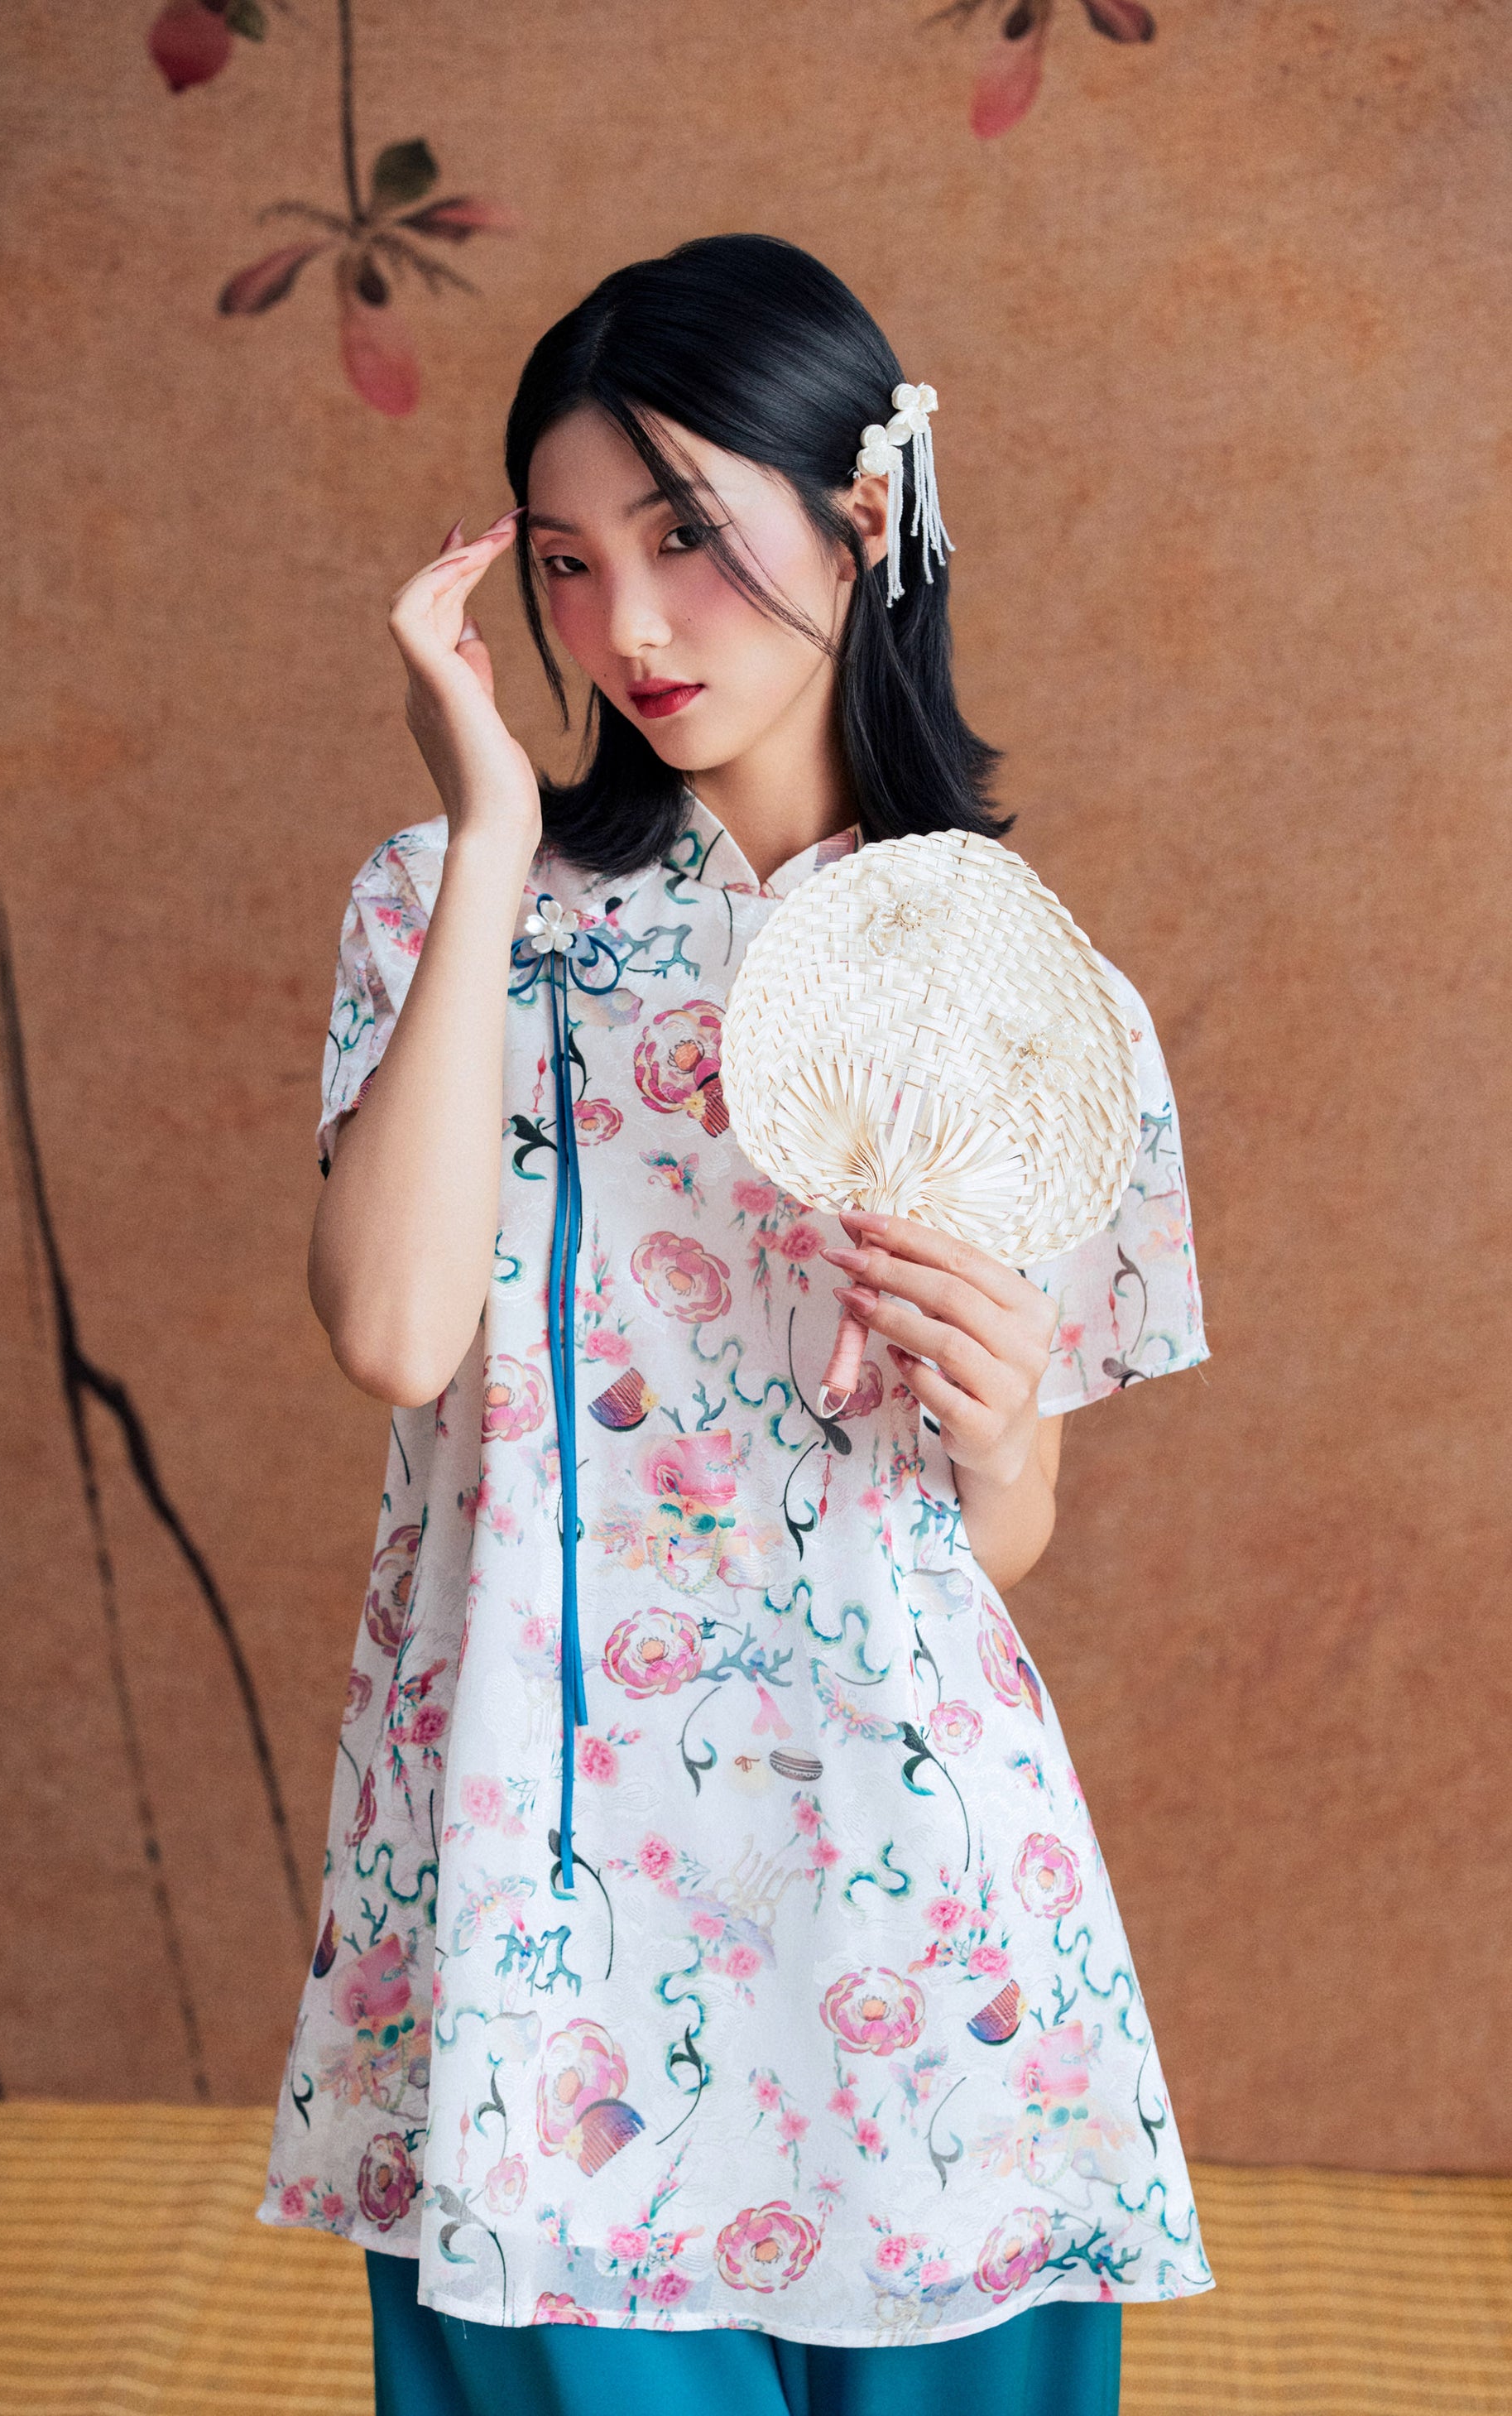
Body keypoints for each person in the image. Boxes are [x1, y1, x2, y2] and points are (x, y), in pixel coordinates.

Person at [260, 233, 1214, 2416]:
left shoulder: (1019, 990)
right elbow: (395, 1333)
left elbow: (997, 1538)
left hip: (918, 1919)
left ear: (866, 516)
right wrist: (493, 831)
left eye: (685, 533)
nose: (628, 627)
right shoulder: (445, 908)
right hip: (536, 1932)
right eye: (569, 563)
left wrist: (996, 1426)